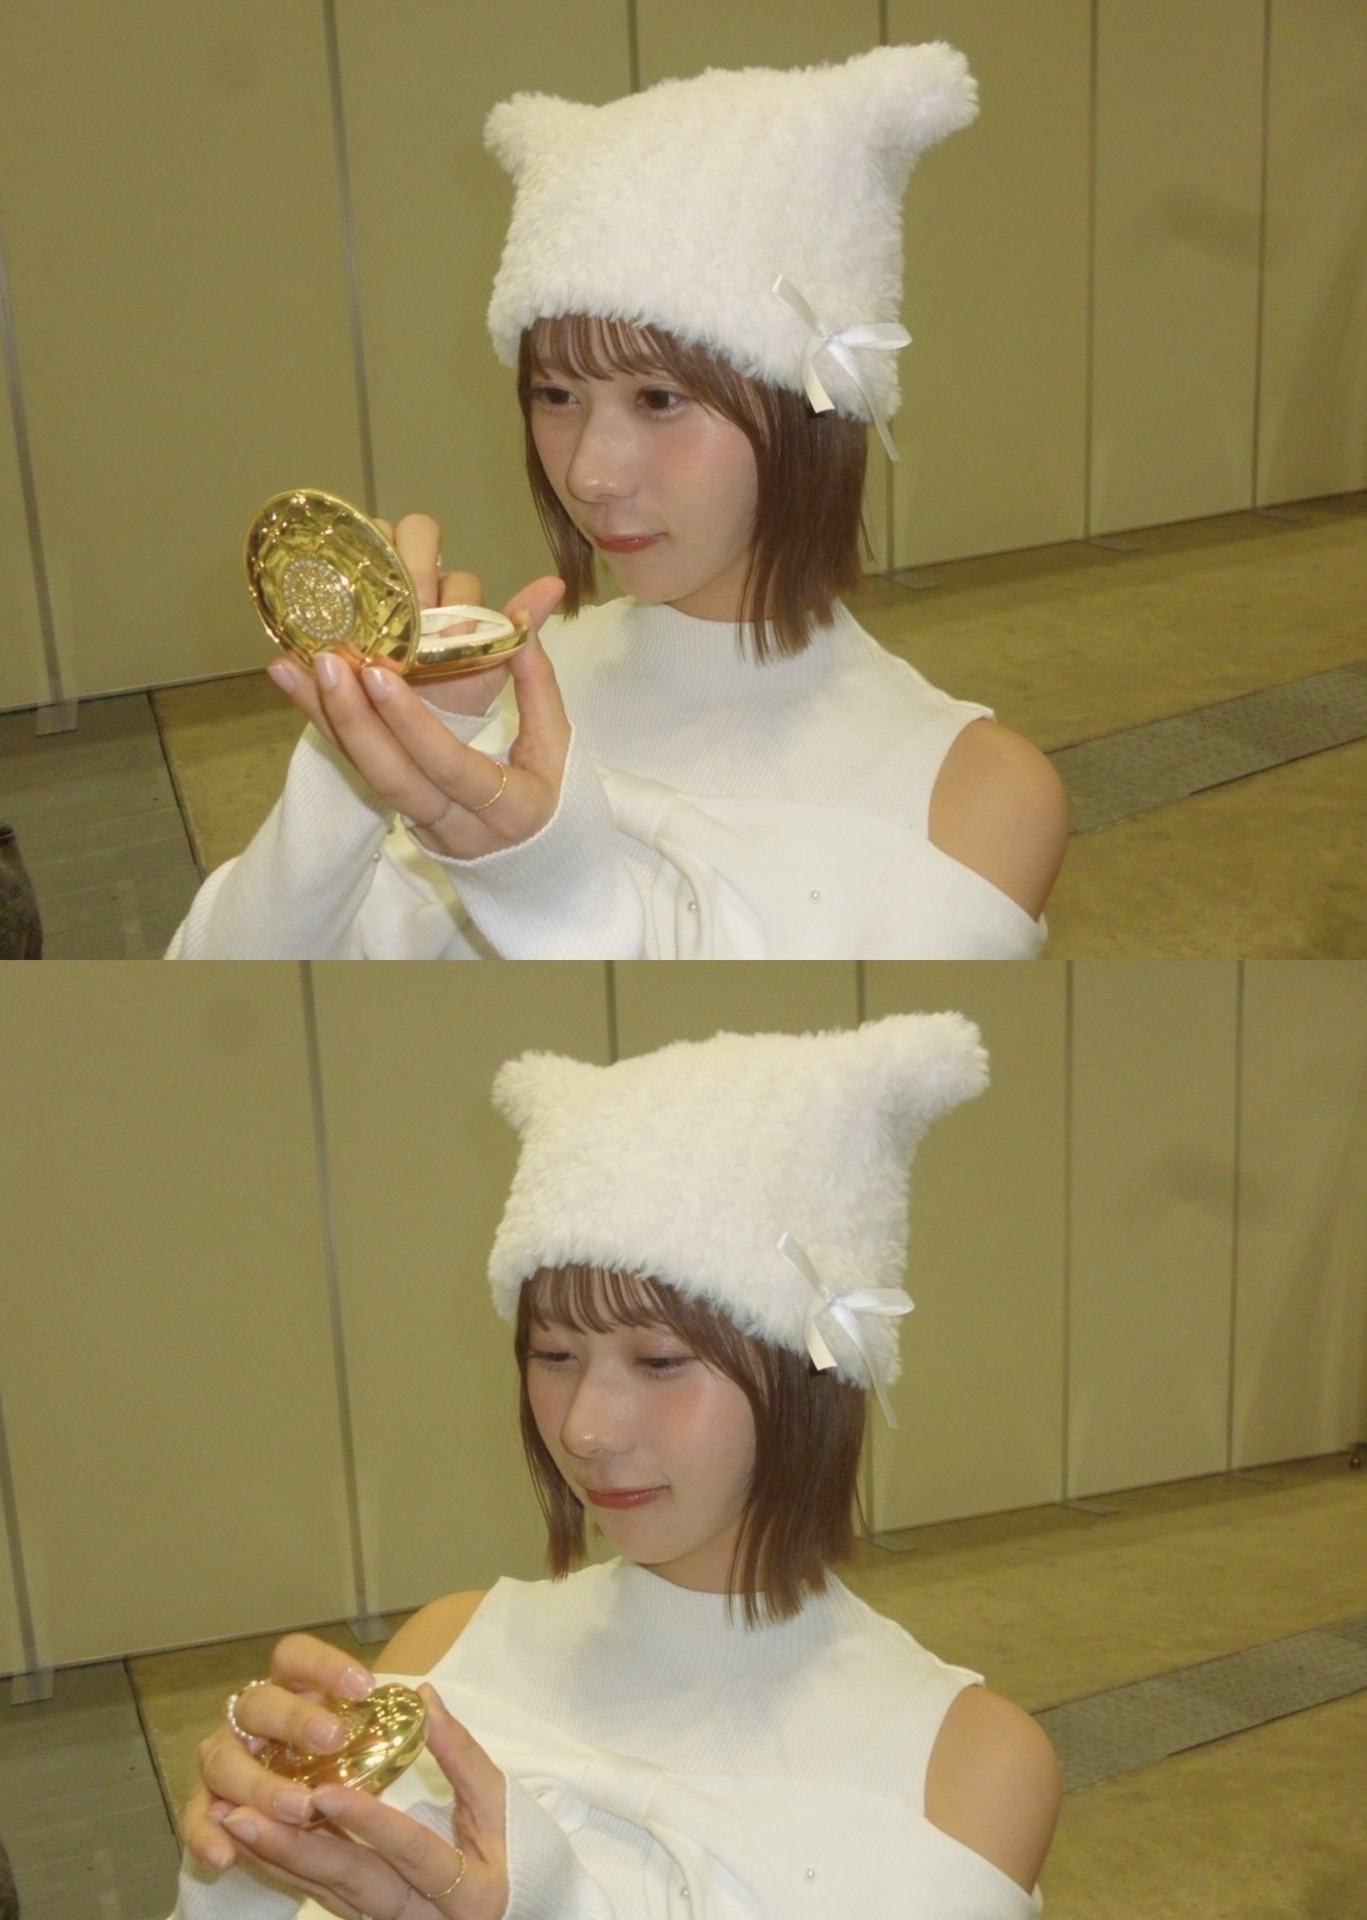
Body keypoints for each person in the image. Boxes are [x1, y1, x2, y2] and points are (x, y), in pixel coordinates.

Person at [166, 44, 1067, 961]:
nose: (590, 473)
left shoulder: (972, 795)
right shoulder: (499, 689)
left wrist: (553, 890)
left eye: (660, 400)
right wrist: (355, 770)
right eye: (556, 396)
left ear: (814, 411)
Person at [170, 1014, 1061, 1919]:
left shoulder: (962, 1767)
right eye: (554, 1355)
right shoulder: (449, 1649)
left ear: (812, 1373)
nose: (585, 1430)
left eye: (661, 1362)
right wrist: (250, 1864)